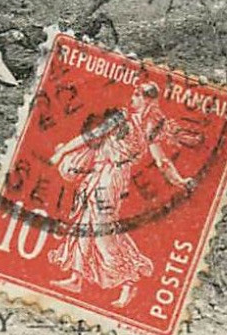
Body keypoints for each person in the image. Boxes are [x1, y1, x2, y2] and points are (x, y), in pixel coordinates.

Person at [44, 82, 194, 308]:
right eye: (134, 93)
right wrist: (64, 151)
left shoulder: (152, 127)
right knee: (85, 221)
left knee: (103, 229)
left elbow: (161, 160)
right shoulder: (123, 117)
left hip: (113, 178)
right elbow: (92, 136)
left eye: (138, 95)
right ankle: (77, 278)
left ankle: (129, 280)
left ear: (149, 100)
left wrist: (179, 181)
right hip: (98, 173)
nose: (133, 98)